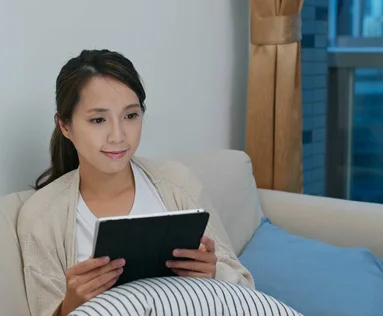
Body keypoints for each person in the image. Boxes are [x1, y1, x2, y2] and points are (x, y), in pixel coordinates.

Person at [16, 49, 255, 316]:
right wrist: (72, 304)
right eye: (98, 120)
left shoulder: (177, 183)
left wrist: (213, 273)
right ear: (65, 126)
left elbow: (245, 290)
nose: (118, 136)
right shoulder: (42, 217)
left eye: (130, 116)